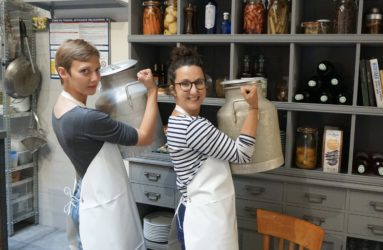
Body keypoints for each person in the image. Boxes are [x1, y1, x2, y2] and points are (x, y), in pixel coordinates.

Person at [52, 39, 158, 250]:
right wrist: (152, 91)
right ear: (63, 72)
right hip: (100, 207)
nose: (95, 78)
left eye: (97, 70)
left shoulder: (59, 107)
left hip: (84, 195)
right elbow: (145, 136)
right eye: (85, 71)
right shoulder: (87, 119)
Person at [166, 46, 259, 250]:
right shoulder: (194, 126)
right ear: (172, 88)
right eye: (185, 84)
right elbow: (242, 154)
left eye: (199, 82)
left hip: (196, 209)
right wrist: (253, 108)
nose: (194, 90)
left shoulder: (175, 119)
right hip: (206, 221)